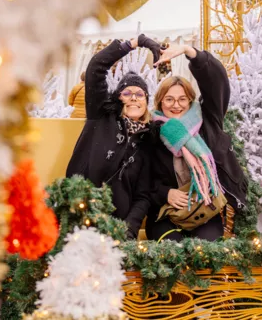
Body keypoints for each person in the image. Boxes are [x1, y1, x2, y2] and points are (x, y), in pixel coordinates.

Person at [146, 45, 248, 242]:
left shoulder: (208, 120)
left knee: (205, 253)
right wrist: (165, 193)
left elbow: (216, 82)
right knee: (170, 252)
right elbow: (142, 180)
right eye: (169, 99)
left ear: (191, 100)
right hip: (166, 213)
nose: (176, 105)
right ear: (160, 103)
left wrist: (189, 51)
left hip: (205, 210)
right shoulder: (151, 133)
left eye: (182, 99)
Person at [67, 35, 161, 240]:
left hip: (118, 229)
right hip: (81, 219)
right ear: (118, 97)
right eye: (127, 93)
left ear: (146, 101)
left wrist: (129, 229)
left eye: (140, 94)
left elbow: (143, 195)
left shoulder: (147, 141)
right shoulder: (101, 115)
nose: (134, 97)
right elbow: (96, 67)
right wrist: (136, 43)